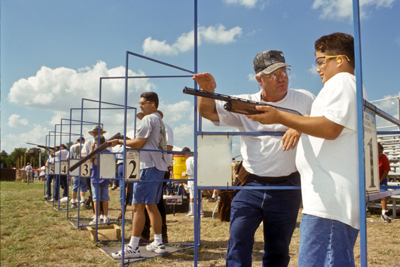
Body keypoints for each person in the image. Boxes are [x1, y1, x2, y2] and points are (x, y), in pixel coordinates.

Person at [246, 32, 361, 267]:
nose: (318, 69)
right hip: (329, 201)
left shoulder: (341, 82)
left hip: (329, 203)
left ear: (339, 59)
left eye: (321, 61)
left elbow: (330, 127)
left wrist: (281, 116)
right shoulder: (348, 85)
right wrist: (302, 122)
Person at [193, 49, 315, 266]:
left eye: (284, 72)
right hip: (250, 183)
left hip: (288, 185)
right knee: (238, 242)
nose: (282, 78)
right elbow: (208, 112)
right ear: (259, 79)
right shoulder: (244, 102)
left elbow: (322, 121)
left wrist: (300, 126)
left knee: (278, 250)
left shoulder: (304, 98)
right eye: (273, 75)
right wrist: (206, 90)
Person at [109, 92, 168, 259]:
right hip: (157, 167)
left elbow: (138, 143)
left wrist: (119, 141)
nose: (140, 105)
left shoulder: (148, 119)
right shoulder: (159, 120)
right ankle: (158, 241)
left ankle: (133, 247)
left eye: (143, 103)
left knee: (137, 207)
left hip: (148, 167)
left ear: (152, 104)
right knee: (152, 206)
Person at [142, 122, 173, 243]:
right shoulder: (160, 128)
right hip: (157, 167)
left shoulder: (164, 127)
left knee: (152, 202)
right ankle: (158, 235)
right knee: (153, 202)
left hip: (157, 167)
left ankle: (152, 234)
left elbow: (168, 148)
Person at [89, 136, 111, 225]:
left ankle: (98, 217)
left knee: (96, 198)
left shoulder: (95, 153)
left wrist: (92, 149)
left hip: (96, 177)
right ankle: (105, 216)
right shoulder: (108, 152)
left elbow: (90, 159)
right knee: (104, 198)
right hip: (103, 177)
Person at [181, 147, 204, 217]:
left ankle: (192, 212)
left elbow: (190, 171)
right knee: (199, 196)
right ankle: (200, 211)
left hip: (192, 180)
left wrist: (184, 174)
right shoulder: (196, 158)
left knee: (192, 196)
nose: (184, 157)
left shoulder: (188, 160)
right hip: (198, 179)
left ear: (186, 154)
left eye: (184, 155)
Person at [67, 137, 88, 208]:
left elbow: (68, 157)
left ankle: (73, 201)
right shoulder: (84, 145)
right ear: (83, 141)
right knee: (83, 185)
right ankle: (82, 201)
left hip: (75, 165)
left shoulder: (72, 147)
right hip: (84, 165)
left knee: (75, 185)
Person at [378, 142, 391, 223]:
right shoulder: (368, 157)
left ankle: (384, 213)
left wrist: (379, 181)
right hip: (370, 178)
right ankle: (364, 210)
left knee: (383, 193)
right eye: (378, 152)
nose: (380, 154)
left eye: (381, 152)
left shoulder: (384, 157)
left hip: (381, 177)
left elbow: (386, 171)